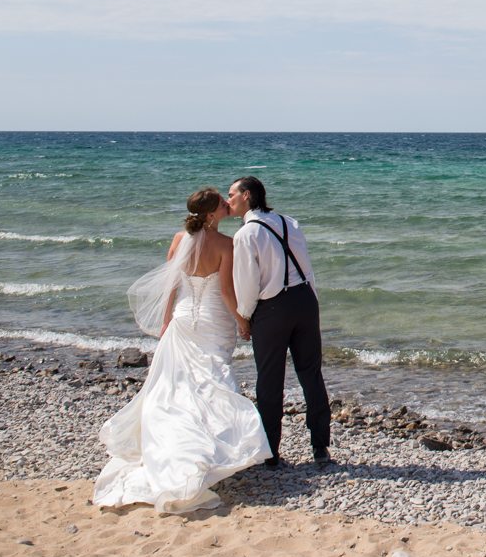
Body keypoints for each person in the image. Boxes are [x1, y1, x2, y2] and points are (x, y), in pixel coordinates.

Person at [93, 187, 272, 513]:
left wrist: (166, 321)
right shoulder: (226, 244)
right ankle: (208, 450)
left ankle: (187, 444)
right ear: (211, 214)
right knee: (211, 379)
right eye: (221, 202)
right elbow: (226, 292)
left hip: (182, 318)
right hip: (213, 322)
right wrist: (242, 322)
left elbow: (172, 285)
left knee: (178, 385)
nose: (226, 203)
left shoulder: (179, 240)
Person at [228, 175, 332, 466]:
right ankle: (320, 447)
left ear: (247, 195)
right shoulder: (290, 223)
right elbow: (307, 267)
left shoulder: (246, 234)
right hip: (305, 300)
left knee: (270, 379)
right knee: (311, 374)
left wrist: (244, 317)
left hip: (272, 308)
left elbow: (247, 283)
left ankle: (271, 451)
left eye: (231, 194)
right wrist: (311, 299)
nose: (228, 200)